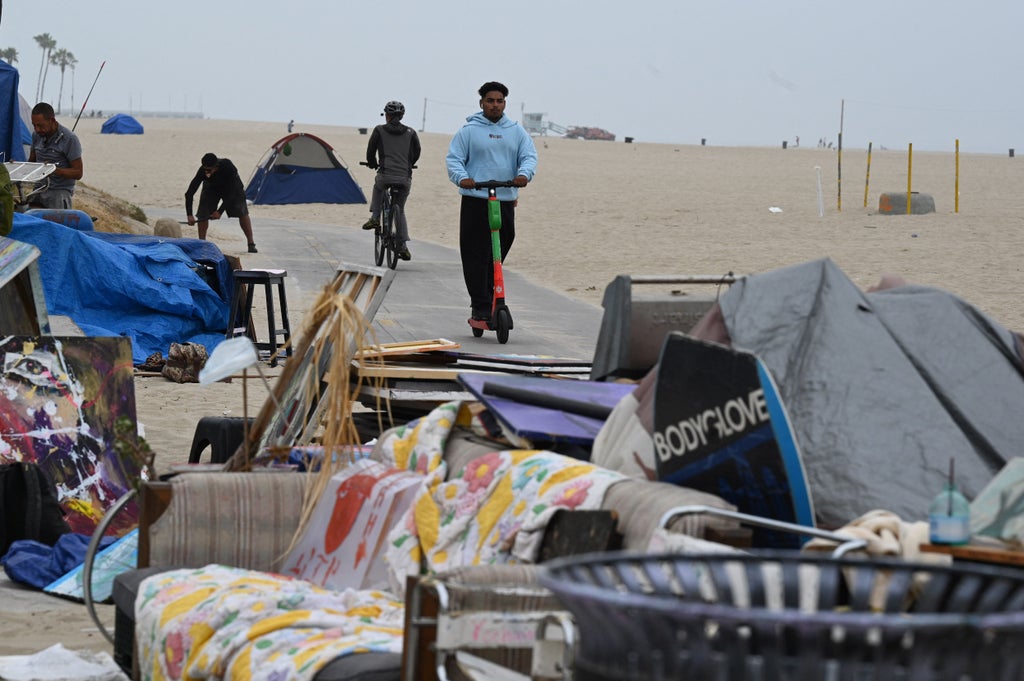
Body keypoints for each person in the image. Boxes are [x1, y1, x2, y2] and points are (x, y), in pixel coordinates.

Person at [445, 81, 537, 321]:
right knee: (475, 252)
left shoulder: (516, 131)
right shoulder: (468, 131)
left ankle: (490, 293)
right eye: (490, 101)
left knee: (500, 246)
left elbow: (528, 156)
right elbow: (454, 159)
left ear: (505, 103)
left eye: (499, 101)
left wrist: (523, 175)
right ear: (481, 103)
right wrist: (462, 178)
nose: (495, 105)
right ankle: (480, 304)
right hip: (476, 198)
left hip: (504, 197)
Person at [362, 100, 421, 261]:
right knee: (400, 209)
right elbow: (417, 152)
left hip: (385, 174)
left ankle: (375, 218)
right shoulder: (411, 132)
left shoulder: (379, 130)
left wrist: (373, 163)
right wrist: (409, 164)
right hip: (404, 177)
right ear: (401, 116)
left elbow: (370, 152)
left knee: (378, 186)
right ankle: (402, 246)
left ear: (386, 115)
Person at [184, 152, 257, 253]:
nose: (206, 173)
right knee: (202, 212)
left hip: (232, 188)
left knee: (242, 211)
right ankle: (202, 244)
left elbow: (232, 193)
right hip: (212, 187)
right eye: (204, 169)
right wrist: (189, 215)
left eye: (209, 170)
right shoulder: (203, 171)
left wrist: (220, 211)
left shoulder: (228, 167)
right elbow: (189, 193)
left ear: (216, 167)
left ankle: (251, 243)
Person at [27, 102, 83, 209]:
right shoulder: (36, 135)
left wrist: (54, 170)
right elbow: (31, 162)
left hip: (59, 192)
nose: (37, 129)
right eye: (34, 125)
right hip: (38, 189)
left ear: (52, 120)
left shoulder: (70, 139)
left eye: (40, 125)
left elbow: (78, 172)